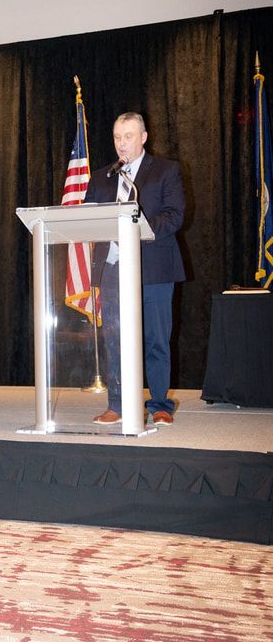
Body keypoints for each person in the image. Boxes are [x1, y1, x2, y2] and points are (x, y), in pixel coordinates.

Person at [85, 112, 185, 426]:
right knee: (114, 340)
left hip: (153, 269)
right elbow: (89, 218)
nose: (122, 143)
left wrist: (139, 228)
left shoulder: (166, 170)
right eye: (117, 137)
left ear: (143, 138)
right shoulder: (102, 177)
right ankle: (118, 404)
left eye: (128, 136)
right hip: (112, 270)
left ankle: (160, 405)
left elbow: (175, 215)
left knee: (156, 339)